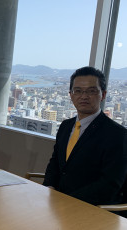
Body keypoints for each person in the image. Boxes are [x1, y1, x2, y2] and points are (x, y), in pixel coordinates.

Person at [43, 66, 127, 206]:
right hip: (58, 204)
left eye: (92, 91)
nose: (84, 96)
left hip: (92, 209)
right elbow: (55, 164)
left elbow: (110, 183)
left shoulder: (117, 134)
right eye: (78, 91)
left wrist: (68, 201)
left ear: (103, 94)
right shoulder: (65, 126)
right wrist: (49, 187)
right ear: (71, 95)